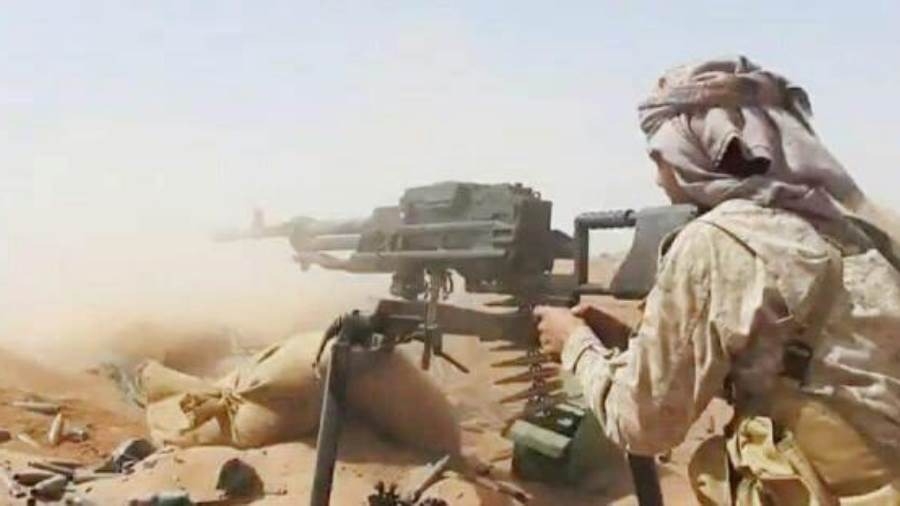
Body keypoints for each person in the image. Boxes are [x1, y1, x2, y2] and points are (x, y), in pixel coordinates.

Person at [534, 56, 900, 505]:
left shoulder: (716, 241)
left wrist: (574, 345)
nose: (658, 177)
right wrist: (638, 343)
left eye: (660, 156)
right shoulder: (863, 232)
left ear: (692, 150)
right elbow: (810, 370)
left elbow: (642, 425)